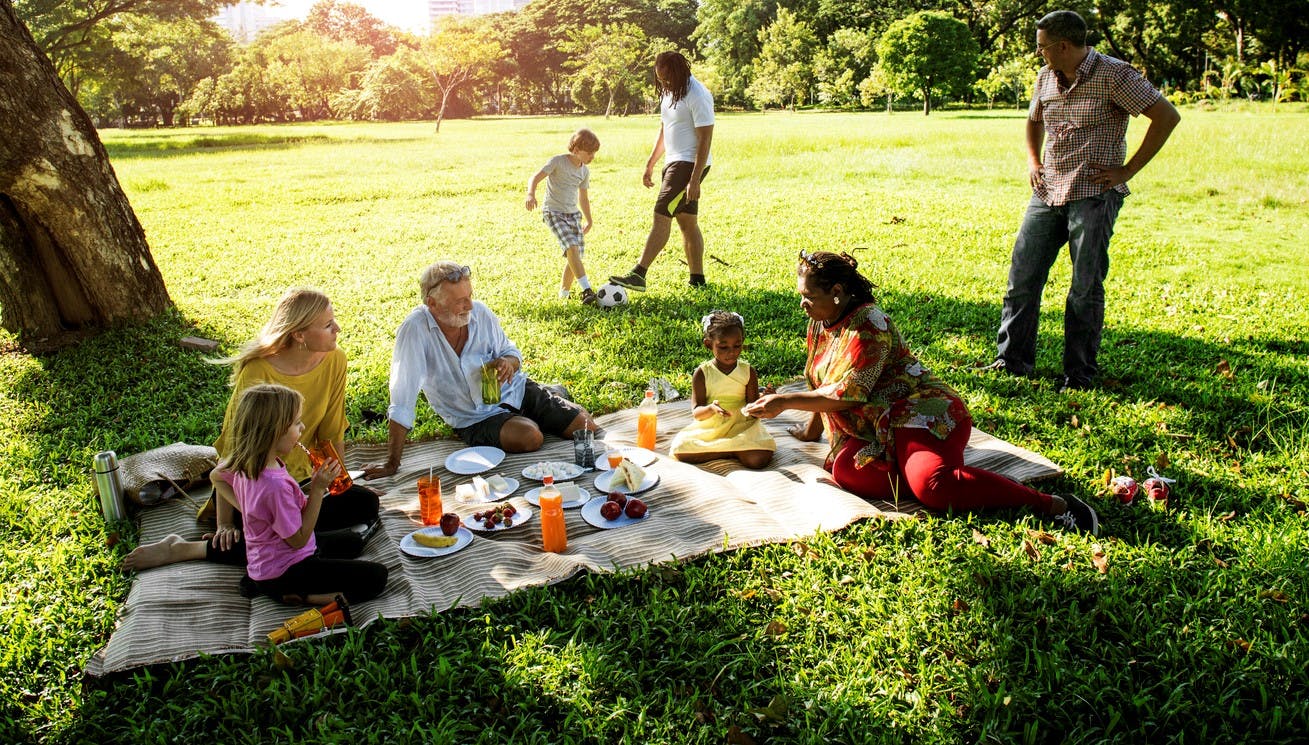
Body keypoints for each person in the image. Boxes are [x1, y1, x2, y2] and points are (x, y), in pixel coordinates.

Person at [744, 251, 1100, 534]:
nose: (802, 304)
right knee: (847, 470)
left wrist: (784, 401)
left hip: (921, 412)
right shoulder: (821, 322)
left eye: (809, 296)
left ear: (837, 293)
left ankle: (1054, 504)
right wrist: (810, 431)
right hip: (878, 425)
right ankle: (936, 473)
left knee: (933, 488)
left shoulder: (870, 324)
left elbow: (849, 394)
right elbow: (821, 380)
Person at [983, 10, 1180, 392]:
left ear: (1064, 46)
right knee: (1022, 278)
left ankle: (1078, 374)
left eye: (1042, 48)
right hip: (1048, 189)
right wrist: (1033, 160)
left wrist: (1127, 170)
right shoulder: (1045, 77)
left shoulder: (1115, 74)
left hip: (1093, 193)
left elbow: (1166, 117)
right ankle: (1011, 361)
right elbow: (1034, 119)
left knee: (1085, 286)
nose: (1039, 54)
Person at [124, 288, 380, 571]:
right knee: (335, 542)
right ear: (299, 335)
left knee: (365, 503)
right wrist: (225, 523)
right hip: (257, 486)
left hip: (302, 487)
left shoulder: (335, 360)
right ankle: (193, 548)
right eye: (328, 325)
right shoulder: (258, 372)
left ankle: (296, 540)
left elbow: (331, 433)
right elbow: (235, 451)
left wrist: (339, 483)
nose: (338, 329)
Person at [362, 261, 594, 479]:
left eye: (470, 296)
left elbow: (510, 351)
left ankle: (550, 397)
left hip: (515, 390)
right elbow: (402, 398)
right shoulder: (415, 330)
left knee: (586, 427)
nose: (470, 305)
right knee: (530, 437)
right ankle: (545, 406)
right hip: (474, 417)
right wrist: (391, 463)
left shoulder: (480, 313)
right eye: (460, 301)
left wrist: (507, 363)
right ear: (432, 303)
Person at [209, 384, 387, 605]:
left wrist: (250, 510)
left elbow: (216, 476)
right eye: (296, 423)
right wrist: (318, 489)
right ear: (275, 431)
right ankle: (300, 596)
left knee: (352, 542)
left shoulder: (249, 464)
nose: (302, 428)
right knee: (377, 577)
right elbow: (298, 539)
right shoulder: (274, 486)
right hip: (287, 570)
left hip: (267, 562)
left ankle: (263, 583)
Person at [610, 51, 714, 292]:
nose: (664, 83)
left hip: (689, 164)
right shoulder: (670, 92)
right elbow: (665, 129)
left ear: (679, 72)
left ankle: (639, 273)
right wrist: (651, 162)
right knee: (687, 222)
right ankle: (697, 281)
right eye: (660, 79)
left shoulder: (697, 94)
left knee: (661, 212)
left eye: (667, 78)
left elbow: (705, 139)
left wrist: (695, 179)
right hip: (674, 162)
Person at [669, 310, 775, 468]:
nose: (731, 352)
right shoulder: (702, 373)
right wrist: (711, 409)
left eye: (737, 345)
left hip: (742, 424)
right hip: (712, 426)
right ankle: (732, 450)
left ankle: (731, 448)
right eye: (723, 347)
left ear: (742, 341)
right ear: (708, 344)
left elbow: (752, 408)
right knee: (680, 450)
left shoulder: (748, 371)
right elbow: (697, 413)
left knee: (758, 459)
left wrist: (765, 399)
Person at [526, 128, 601, 306]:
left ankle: (563, 295)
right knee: (571, 247)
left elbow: (583, 197)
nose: (592, 156)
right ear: (576, 150)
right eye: (589, 152)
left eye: (594, 153)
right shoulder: (558, 162)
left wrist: (589, 219)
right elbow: (535, 178)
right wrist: (530, 194)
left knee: (574, 256)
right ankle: (587, 290)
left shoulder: (584, 172)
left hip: (573, 214)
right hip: (553, 212)